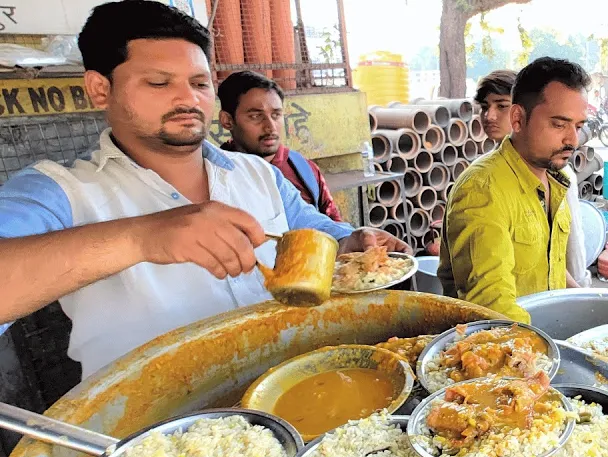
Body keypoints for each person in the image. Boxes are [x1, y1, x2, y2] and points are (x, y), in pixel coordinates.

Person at [0, 0, 405, 379]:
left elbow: (308, 227)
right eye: (159, 83)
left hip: (288, 385)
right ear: (100, 88)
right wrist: (142, 237)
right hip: (164, 430)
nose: (187, 99)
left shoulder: (258, 174)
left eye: (199, 83)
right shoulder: (60, 192)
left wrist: (352, 242)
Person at [440, 57, 590, 323]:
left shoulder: (554, 180)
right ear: (519, 119)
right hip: (512, 352)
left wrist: (590, 309)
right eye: (559, 124)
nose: (572, 140)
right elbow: (492, 309)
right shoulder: (482, 189)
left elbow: (548, 265)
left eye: (577, 126)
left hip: (549, 336)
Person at [474, 66, 590, 289]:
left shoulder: (557, 175)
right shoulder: (482, 184)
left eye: (501, 106)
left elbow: (566, 255)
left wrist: (581, 299)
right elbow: (489, 298)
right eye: (485, 107)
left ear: (517, 113)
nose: (490, 116)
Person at [217, 70, 343, 223]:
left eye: (276, 115)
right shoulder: (215, 175)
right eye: (255, 116)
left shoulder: (304, 169)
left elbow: (334, 226)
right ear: (227, 120)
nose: (270, 127)